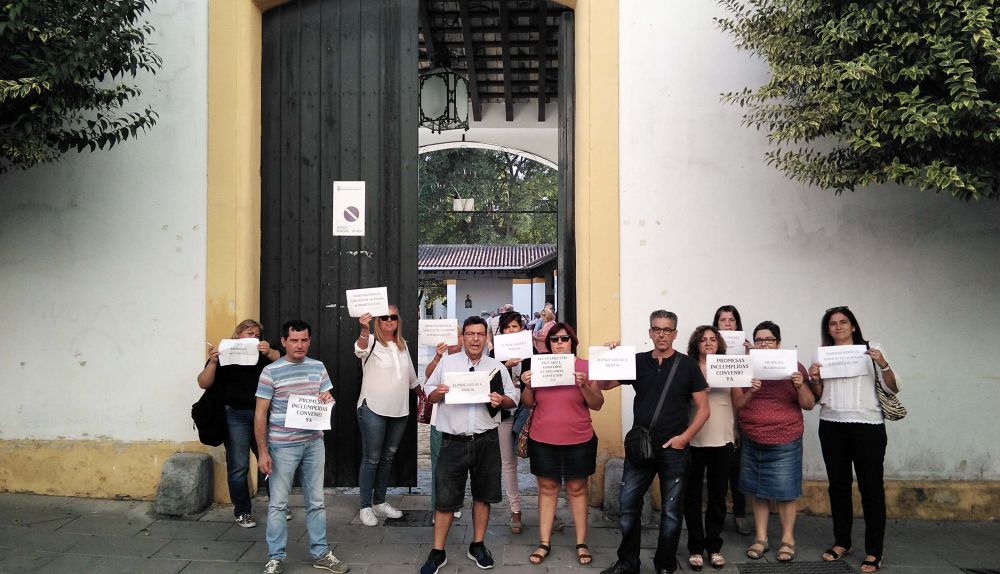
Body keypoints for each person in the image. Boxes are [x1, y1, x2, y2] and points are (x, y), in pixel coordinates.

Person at [600, 310, 710, 574]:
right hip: (641, 447)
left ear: (675, 333)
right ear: (650, 332)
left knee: (671, 512)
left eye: (667, 330)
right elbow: (604, 384)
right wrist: (609, 356)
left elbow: (704, 409)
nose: (662, 334)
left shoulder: (688, 366)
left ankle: (665, 565)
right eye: (657, 329)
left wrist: (684, 439)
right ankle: (628, 563)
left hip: (674, 449)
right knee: (628, 506)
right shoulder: (637, 361)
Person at [419, 317, 519, 574]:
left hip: (486, 439)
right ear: (462, 337)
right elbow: (429, 393)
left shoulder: (496, 367)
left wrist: (501, 399)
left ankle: (477, 544)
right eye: (470, 334)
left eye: (480, 334)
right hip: (452, 441)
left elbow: (513, 399)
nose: (475, 339)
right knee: (445, 499)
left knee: (483, 495)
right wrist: (440, 392)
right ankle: (437, 551)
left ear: (487, 338)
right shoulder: (447, 363)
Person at [808, 306, 900, 573]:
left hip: (867, 425)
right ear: (828, 329)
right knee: (838, 486)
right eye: (832, 323)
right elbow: (817, 395)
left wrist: (883, 364)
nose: (838, 327)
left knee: (871, 488)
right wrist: (814, 379)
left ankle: (874, 551)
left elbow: (893, 387)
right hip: (831, 424)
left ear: (853, 326)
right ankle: (842, 542)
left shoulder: (872, 349)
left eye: (843, 322)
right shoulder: (821, 354)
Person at [254, 320, 348, 574]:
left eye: (304, 340)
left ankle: (321, 553)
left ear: (309, 341)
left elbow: (327, 400)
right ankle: (275, 557)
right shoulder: (271, 372)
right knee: (278, 504)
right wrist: (263, 451)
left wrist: (328, 399)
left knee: (316, 501)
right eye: (294, 340)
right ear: (283, 342)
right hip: (282, 446)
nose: (299, 345)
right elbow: (260, 414)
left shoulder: (318, 367)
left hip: (314, 443)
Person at [520, 322, 604, 566]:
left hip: (579, 438)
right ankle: (544, 541)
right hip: (542, 437)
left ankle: (581, 542)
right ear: (548, 344)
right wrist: (528, 386)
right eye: (554, 339)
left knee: (577, 488)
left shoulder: (585, 367)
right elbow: (527, 403)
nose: (559, 343)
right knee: (547, 488)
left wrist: (583, 385)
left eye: (564, 338)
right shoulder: (539, 366)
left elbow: (597, 404)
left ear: (572, 342)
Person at [732, 321, 814, 564]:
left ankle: (788, 539)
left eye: (768, 340)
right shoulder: (745, 367)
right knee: (759, 491)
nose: (764, 344)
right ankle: (761, 538)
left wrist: (800, 385)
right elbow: (738, 404)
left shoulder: (794, 367)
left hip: (785, 438)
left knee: (786, 493)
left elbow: (809, 404)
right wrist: (752, 391)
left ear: (778, 343)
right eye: (759, 340)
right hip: (753, 438)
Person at [197, 319, 280, 528]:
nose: (253, 338)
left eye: (256, 335)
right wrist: (213, 362)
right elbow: (203, 383)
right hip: (235, 414)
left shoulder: (263, 353)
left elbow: (283, 362)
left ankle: (278, 506)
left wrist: (269, 351)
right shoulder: (225, 352)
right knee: (239, 465)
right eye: (249, 333)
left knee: (272, 462)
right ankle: (243, 511)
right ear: (238, 335)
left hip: (262, 414)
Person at [354, 306, 419, 526]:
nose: (389, 320)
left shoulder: (402, 345)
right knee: (371, 458)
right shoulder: (371, 341)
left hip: (399, 410)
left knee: (388, 457)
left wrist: (424, 395)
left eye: (393, 317)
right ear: (378, 321)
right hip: (373, 408)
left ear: (398, 320)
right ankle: (365, 506)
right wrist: (364, 330)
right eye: (384, 317)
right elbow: (359, 350)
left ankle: (380, 502)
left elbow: (411, 376)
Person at [682, 326, 735, 571]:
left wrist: (751, 389)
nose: (709, 343)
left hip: (722, 437)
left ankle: (714, 546)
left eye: (713, 339)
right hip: (694, 438)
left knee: (718, 494)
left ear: (719, 343)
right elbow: (678, 399)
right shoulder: (688, 367)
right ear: (696, 344)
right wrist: (696, 392)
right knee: (692, 494)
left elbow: (739, 401)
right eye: (703, 339)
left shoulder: (729, 366)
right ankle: (695, 547)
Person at [711, 305, 752, 536]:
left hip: (738, 413)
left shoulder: (746, 354)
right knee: (716, 470)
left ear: (737, 325)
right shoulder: (708, 351)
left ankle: (739, 512)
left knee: (737, 468)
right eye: (723, 320)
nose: (727, 324)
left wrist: (753, 357)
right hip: (714, 413)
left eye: (732, 320)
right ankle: (714, 516)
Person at [490, 311, 531, 534]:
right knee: (508, 462)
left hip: (527, 412)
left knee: (539, 460)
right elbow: (488, 382)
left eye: (515, 326)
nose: (511, 330)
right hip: (505, 413)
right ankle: (515, 509)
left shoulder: (531, 352)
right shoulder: (494, 354)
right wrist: (505, 365)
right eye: (507, 327)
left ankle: (549, 510)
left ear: (521, 329)